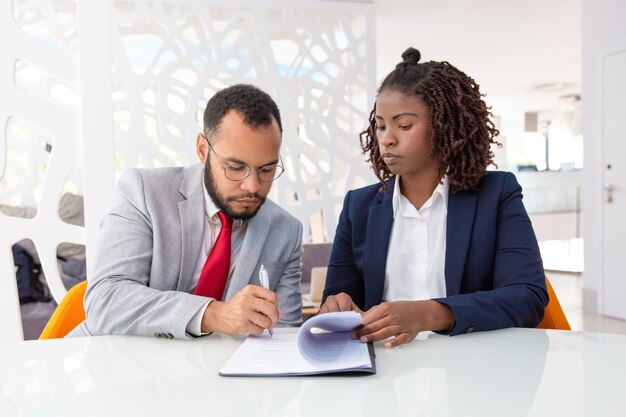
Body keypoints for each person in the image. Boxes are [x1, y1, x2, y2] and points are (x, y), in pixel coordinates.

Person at [319, 47, 548, 348]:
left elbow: (527, 296)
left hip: (472, 369)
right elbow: (337, 299)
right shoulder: (358, 208)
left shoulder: (497, 194)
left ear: (442, 127)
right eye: (381, 126)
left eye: (404, 125)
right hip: (383, 371)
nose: (387, 138)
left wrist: (429, 313)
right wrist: (337, 306)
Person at [68, 84, 303, 339]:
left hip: (213, 375)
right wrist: (212, 314)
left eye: (266, 170)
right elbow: (106, 300)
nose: (252, 186)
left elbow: (284, 337)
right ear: (203, 150)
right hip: (109, 366)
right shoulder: (143, 192)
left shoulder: (286, 231)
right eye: (235, 167)